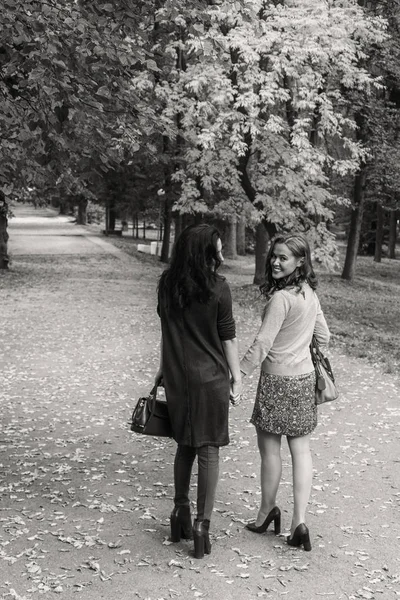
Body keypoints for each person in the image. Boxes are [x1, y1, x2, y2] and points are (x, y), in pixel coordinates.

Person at [155, 224, 242, 559]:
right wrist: (237, 377)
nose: (221, 255)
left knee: (185, 446)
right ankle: (203, 525)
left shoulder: (167, 284)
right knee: (208, 451)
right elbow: (228, 337)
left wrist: (163, 369)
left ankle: (179, 512)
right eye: (217, 249)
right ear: (205, 253)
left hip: (178, 377)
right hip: (210, 379)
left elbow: (167, 330)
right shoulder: (218, 288)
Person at [240, 232, 330, 552]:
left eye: (283, 257)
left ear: (299, 261)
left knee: (270, 453)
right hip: (304, 380)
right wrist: (299, 347)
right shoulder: (309, 293)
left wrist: (239, 373)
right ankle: (299, 523)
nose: (276, 262)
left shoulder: (281, 298)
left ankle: (267, 512)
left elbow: (263, 343)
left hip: (277, 381)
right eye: (274, 256)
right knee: (301, 453)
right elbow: (324, 335)